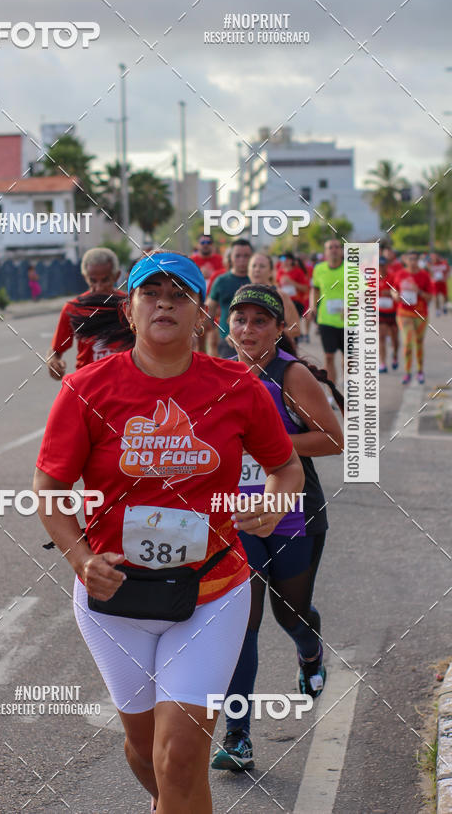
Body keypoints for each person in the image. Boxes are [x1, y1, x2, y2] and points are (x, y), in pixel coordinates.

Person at [34, 253, 304, 813]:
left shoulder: (237, 385)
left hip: (212, 591)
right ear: (129, 311)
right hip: (114, 597)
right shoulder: (86, 388)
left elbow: (286, 466)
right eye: (150, 292)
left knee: (179, 756)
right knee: (145, 752)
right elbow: (50, 488)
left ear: (201, 315)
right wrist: (81, 559)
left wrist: (276, 502)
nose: (164, 303)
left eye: (180, 295)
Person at [211, 283, 344, 772]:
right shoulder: (218, 375)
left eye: (260, 321)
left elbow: (333, 440)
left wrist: (269, 444)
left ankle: (310, 652)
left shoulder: (291, 375)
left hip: (294, 514)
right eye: (240, 319)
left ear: (279, 329)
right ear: (228, 327)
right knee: (240, 626)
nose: (248, 329)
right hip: (238, 517)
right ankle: (238, 737)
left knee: (290, 614)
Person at [47, 247, 124, 379]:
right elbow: (56, 350)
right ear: (85, 277)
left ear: (116, 276)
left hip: (124, 382)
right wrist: (53, 362)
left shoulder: (130, 305)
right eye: (93, 281)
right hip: (87, 382)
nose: (99, 287)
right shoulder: (73, 308)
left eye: (105, 280)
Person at [391, 250, 433, 385]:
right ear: (405, 260)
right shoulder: (400, 274)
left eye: (415, 259)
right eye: (410, 259)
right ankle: (407, 372)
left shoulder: (424, 275)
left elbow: (430, 297)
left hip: (420, 314)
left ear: (418, 260)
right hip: (404, 313)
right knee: (408, 342)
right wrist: (395, 296)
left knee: (419, 342)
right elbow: (394, 290)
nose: (413, 262)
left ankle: (420, 371)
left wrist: (419, 291)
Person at [309, 239, 345, 391]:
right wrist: (313, 305)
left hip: (348, 321)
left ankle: (347, 383)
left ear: (341, 251)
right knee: (329, 357)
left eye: (337, 247)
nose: (334, 250)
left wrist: (351, 307)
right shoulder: (319, 269)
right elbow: (315, 289)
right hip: (326, 320)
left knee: (349, 360)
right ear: (325, 252)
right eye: (330, 247)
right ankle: (332, 392)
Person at [208, 238, 253, 358]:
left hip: (254, 341)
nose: (242, 260)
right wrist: (213, 331)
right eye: (237, 256)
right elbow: (208, 310)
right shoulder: (221, 281)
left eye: (246, 256)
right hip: (227, 342)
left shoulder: (257, 281)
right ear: (230, 257)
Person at [248, 252, 301, 341]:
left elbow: (296, 329)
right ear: (248, 271)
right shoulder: (243, 295)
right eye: (253, 266)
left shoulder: (280, 296)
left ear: (271, 272)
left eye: (262, 266)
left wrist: (271, 335)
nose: (257, 269)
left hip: (276, 348)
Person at [378, 256, 399, 373]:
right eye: (379, 266)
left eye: (383, 265)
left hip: (393, 312)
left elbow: (398, 291)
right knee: (381, 337)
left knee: (394, 338)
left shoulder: (393, 276)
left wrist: (390, 293)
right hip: (379, 311)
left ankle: (395, 355)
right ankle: (382, 363)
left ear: (387, 265)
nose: (381, 268)